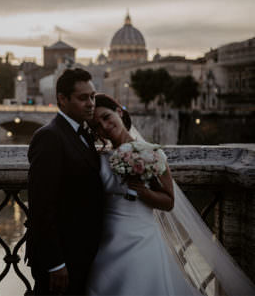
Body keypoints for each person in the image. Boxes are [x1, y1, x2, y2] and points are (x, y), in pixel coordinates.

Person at [85, 93, 255, 295]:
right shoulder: (98, 158)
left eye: (106, 117)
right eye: (96, 125)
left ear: (119, 112)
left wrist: (143, 191)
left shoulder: (152, 154)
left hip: (142, 238)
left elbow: (168, 202)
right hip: (106, 239)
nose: (103, 126)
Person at [26, 68, 105, 295]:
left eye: (92, 96)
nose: (91, 103)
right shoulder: (49, 137)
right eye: (83, 98)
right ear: (62, 99)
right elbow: (41, 206)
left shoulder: (83, 133)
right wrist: (55, 263)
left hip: (80, 253)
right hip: (61, 259)